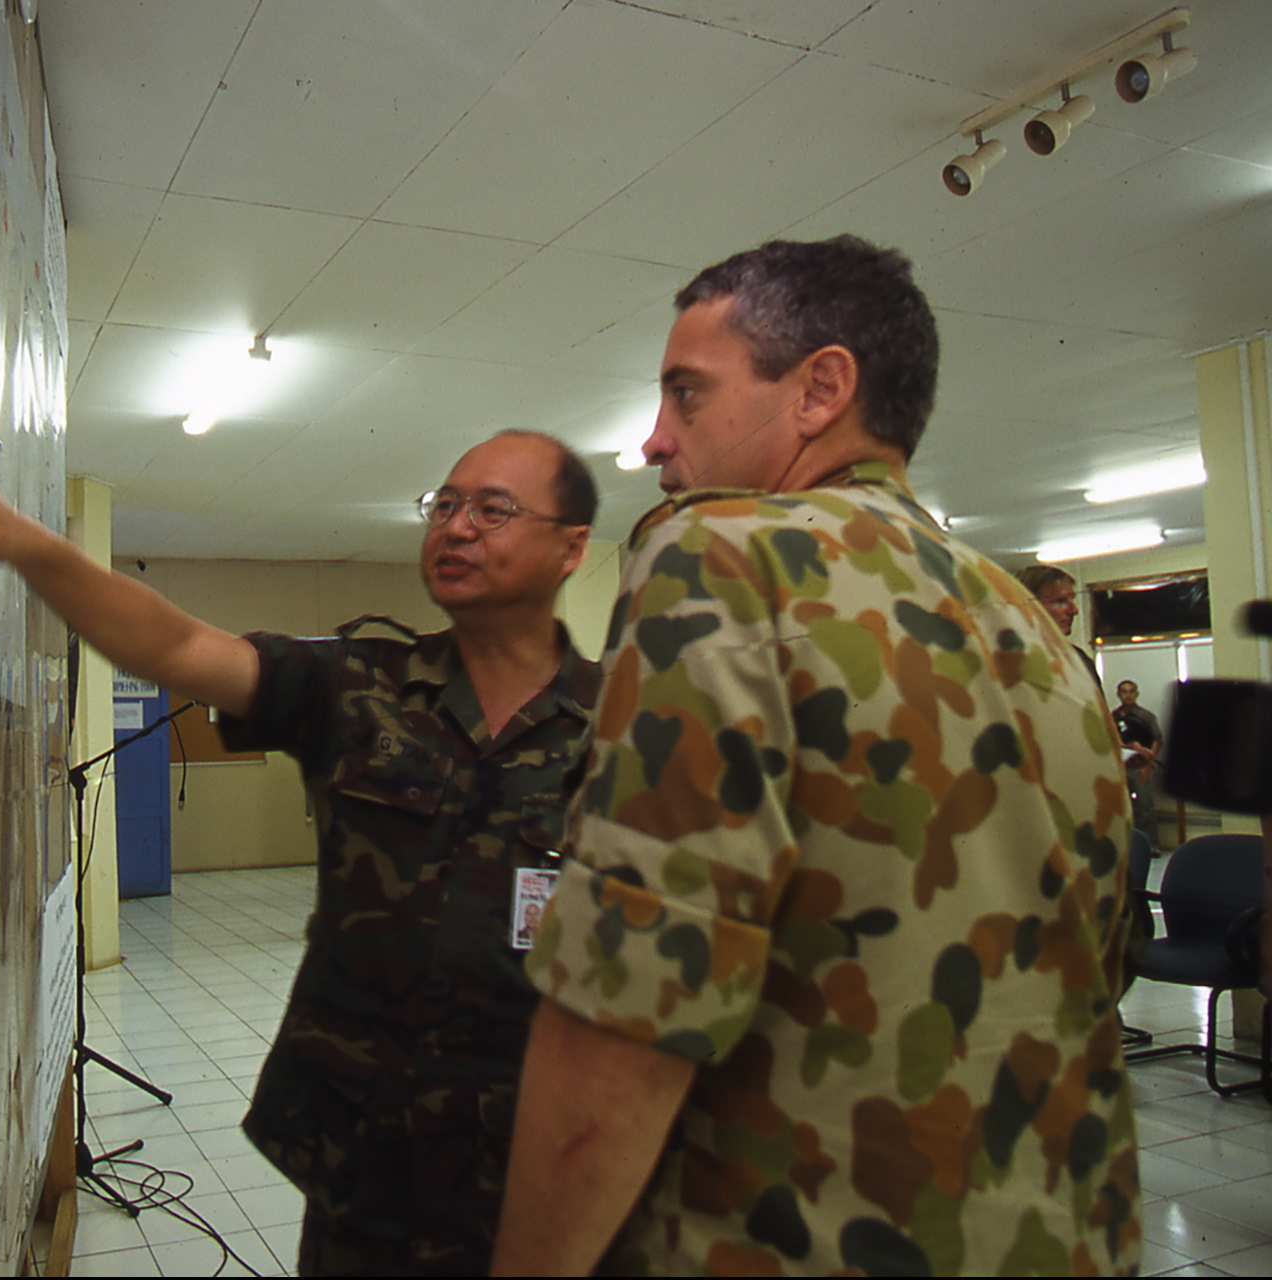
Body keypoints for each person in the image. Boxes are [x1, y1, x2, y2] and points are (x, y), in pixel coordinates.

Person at [491, 236, 1139, 1276]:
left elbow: (631, 1008)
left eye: (687, 393)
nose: (655, 440)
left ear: (821, 389)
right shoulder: (1033, 625)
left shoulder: (720, 557)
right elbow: (1101, 959)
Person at [0, 420, 602, 1276]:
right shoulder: (359, 685)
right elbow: (182, 645)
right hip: (364, 1170)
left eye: (492, 509)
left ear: (572, 546)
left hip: (542, 1172)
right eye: (444, 505)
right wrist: (21, 541)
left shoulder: (632, 732)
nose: (456, 527)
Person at [1017, 563, 1102, 686]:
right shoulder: (1008, 661)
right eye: (1060, 601)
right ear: (1027, 606)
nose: (1074, 610)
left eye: (1072, 599)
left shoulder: (1079, 660)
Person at [1112, 680, 1163, 843]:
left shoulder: (1146, 716)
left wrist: (1148, 763)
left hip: (1141, 766)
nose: (1128, 695)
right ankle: (1128, 845)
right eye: (1124, 692)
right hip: (1121, 766)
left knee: (1144, 805)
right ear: (1118, 694)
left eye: (1131, 692)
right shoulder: (1113, 717)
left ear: (1136, 694)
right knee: (1123, 806)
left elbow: (1157, 740)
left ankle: (1150, 844)